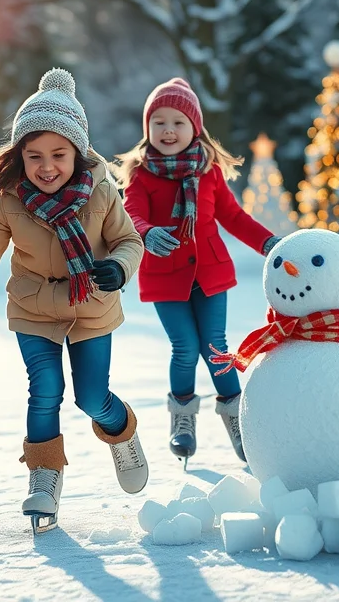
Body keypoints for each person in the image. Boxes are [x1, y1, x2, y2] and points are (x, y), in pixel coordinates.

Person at [0, 68, 148, 533]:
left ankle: (121, 431)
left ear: (78, 153)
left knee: (91, 397)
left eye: (58, 155)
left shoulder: (102, 192)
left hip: (92, 305)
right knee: (45, 390)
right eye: (34, 156)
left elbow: (129, 241)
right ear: (20, 157)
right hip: (34, 308)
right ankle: (43, 477)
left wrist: (118, 267)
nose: (46, 167)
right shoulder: (10, 201)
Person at [116, 78, 280, 466]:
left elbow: (233, 216)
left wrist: (269, 243)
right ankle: (183, 419)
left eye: (178, 122)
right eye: (158, 122)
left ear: (195, 127)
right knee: (186, 348)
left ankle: (239, 422)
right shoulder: (141, 174)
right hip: (165, 275)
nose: (168, 130)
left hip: (209, 272)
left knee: (215, 347)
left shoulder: (209, 171)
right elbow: (130, 213)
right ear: (147, 127)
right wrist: (147, 232)